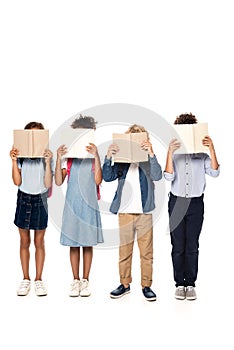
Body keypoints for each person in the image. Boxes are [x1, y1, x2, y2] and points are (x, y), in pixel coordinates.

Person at [102, 124, 162, 301]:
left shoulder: (147, 162)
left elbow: (158, 175)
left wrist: (151, 154)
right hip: (125, 213)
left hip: (144, 213)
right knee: (124, 251)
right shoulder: (121, 161)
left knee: (146, 253)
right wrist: (108, 157)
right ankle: (125, 284)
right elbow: (107, 177)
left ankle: (146, 285)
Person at [164, 113, 220, 300]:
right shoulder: (175, 153)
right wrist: (170, 152)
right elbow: (169, 177)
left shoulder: (201, 154)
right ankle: (180, 283)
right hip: (177, 202)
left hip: (196, 203)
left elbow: (215, 172)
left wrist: (211, 149)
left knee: (192, 245)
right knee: (178, 245)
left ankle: (191, 283)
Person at [55, 114, 103, 297]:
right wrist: (59, 158)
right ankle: (75, 280)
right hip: (72, 207)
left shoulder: (93, 159)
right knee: (73, 244)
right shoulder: (69, 160)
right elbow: (58, 182)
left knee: (87, 244)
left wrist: (97, 156)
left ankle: (85, 280)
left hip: (89, 206)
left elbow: (98, 180)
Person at [10, 121, 53, 296]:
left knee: (39, 242)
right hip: (24, 198)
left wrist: (48, 161)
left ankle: (39, 279)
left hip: (40, 199)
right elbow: (16, 182)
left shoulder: (46, 156)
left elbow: (48, 183)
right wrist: (13, 161)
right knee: (24, 242)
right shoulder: (21, 157)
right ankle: (26, 278)